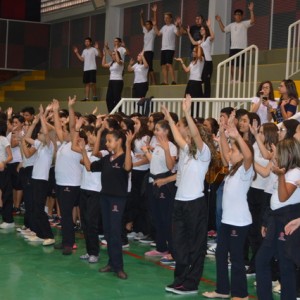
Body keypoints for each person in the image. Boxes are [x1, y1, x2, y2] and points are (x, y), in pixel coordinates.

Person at [162, 95, 212, 295]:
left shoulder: (204, 153)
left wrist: (187, 113)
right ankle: (180, 279)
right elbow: (177, 136)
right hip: (180, 204)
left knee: (195, 246)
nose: (187, 139)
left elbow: (196, 137)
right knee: (178, 244)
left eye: (190, 136)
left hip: (195, 205)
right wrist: (170, 119)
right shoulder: (186, 152)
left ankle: (191, 283)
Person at [203, 111, 255, 299]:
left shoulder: (246, 170)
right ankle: (222, 290)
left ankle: (241, 294)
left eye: (235, 151)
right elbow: (225, 153)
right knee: (221, 255)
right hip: (227, 220)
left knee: (237, 259)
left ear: (241, 154)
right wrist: (225, 134)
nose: (230, 154)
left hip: (239, 222)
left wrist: (238, 138)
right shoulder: (233, 169)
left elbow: (248, 155)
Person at [81, 129, 133, 280]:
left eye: (110, 141)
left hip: (118, 200)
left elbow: (128, 167)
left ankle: (119, 267)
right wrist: (84, 152)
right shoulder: (106, 159)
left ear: (119, 142)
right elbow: (90, 167)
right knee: (108, 233)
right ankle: (111, 263)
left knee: (115, 232)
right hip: (104, 198)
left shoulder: (125, 157)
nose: (107, 144)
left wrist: (129, 146)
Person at [255, 138, 300, 300]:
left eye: (278, 153)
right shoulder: (284, 171)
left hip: (286, 220)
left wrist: (280, 176)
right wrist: (267, 221)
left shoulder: (295, 172)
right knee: (262, 260)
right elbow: (274, 198)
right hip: (276, 219)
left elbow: (282, 197)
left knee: (285, 264)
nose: (276, 156)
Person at [23, 105, 55, 246]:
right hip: (36, 179)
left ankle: (49, 235)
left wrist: (42, 116)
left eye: (41, 133)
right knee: (35, 208)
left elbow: (47, 135)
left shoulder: (49, 146)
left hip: (42, 181)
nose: (39, 135)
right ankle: (40, 234)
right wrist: (35, 123)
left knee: (39, 209)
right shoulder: (40, 145)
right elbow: (26, 137)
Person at [215, 2, 255, 82]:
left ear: (242, 16)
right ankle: (232, 79)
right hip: (233, 48)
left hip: (242, 48)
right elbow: (223, 30)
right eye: (236, 14)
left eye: (240, 14)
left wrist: (251, 11)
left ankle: (239, 79)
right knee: (232, 64)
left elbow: (253, 21)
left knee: (241, 65)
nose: (238, 15)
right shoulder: (231, 25)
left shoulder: (245, 23)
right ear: (234, 16)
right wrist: (219, 21)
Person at [152, 4, 182, 85]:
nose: (165, 19)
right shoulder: (164, 27)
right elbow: (158, 33)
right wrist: (154, 25)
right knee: (163, 65)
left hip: (170, 48)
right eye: (164, 18)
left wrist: (178, 26)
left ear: (170, 19)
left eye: (167, 18)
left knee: (169, 64)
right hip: (163, 49)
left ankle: (173, 80)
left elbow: (178, 34)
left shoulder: (173, 27)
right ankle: (165, 81)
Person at [187, 19, 215, 97]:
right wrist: (189, 33)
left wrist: (209, 26)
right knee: (201, 78)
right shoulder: (200, 41)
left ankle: (207, 96)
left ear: (205, 30)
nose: (201, 30)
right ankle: (201, 94)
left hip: (208, 62)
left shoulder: (208, 39)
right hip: (203, 61)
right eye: (201, 29)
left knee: (206, 79)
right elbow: (193, 42)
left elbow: (213, 36)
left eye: (203, 29)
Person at [74, 37, 101, 101]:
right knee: (87, 84)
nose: (86, 43)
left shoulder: (93, 49)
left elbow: (100, 55)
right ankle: (86, 98)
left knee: (92, 83)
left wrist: (97, 48)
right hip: (86, 69)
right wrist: (76, 53)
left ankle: (94, 96)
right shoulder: (84, 51)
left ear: (90, 42)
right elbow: (82, 59)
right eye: (85, 41)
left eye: (88, 41)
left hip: (92, 68)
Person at [0, 119, 13, 229]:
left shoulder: (3, 139)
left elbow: (10, 156)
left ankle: (8, 220)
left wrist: (3, 162)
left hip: (2, 170)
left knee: (6, 194)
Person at [102, 48, 124, 113]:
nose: (113, 56)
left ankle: (119, 113)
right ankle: (111, 112)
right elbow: (103, 65)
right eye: (112, 55)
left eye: (114, 55)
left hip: (118, 81)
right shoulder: (111, 63)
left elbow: (118, 61)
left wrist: (116, 51)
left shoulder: (121, 62)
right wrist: (104, 55)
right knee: (108, 98)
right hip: (111, 81)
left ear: (117, 55)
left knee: (117, 98)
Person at [140, 8, 156, 85]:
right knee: (146, 67)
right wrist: (141, 15)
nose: (146, 25)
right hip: (145, 51)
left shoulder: (153, 31)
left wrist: (154, 12)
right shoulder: (145, 31)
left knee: (150, 67)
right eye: (146, 24)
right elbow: (142, 24)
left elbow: (155, 22)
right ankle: (147, 82)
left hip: (150, 51)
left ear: (151, 25)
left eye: (148, 24)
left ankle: (154, 82)